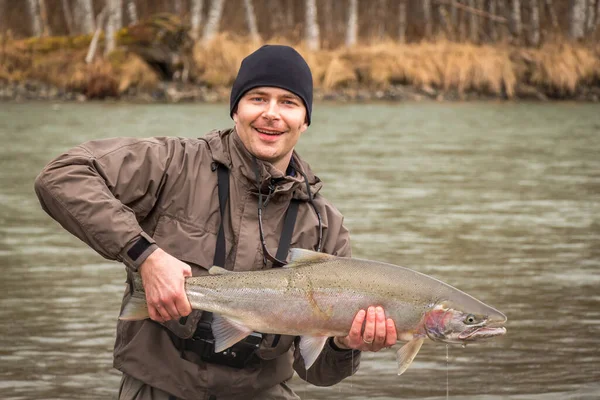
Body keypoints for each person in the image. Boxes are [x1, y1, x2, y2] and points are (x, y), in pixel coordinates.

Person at [34, 45, 397, 400]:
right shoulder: (174, 164)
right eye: (257, 98)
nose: (271, 113)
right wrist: (146, 256)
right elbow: (61, 177)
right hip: (159, 384)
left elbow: (316, 372)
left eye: (288, 102)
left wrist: (345, 344)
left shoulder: (324, 226)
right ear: (235, 109)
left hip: (261, 390)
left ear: (305, 119)